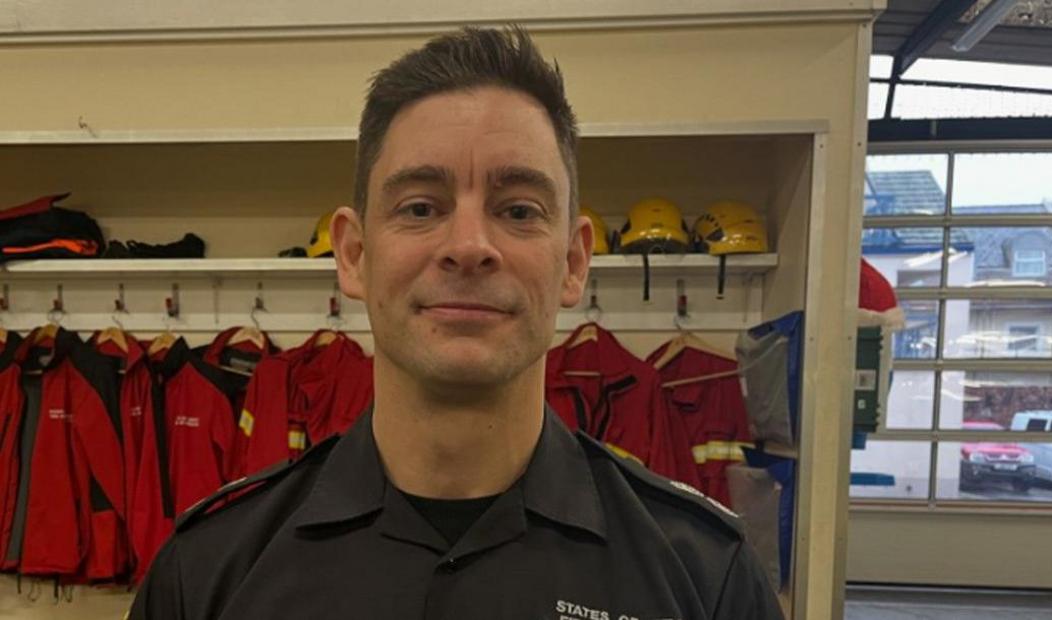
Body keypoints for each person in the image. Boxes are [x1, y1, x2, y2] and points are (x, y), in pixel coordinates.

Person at [128, 25, 783, 620]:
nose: (469, 244)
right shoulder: (207, 574)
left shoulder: (706, 579)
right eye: (420, 206)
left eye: (519, 210)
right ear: (353, 255)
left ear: (574, 262)